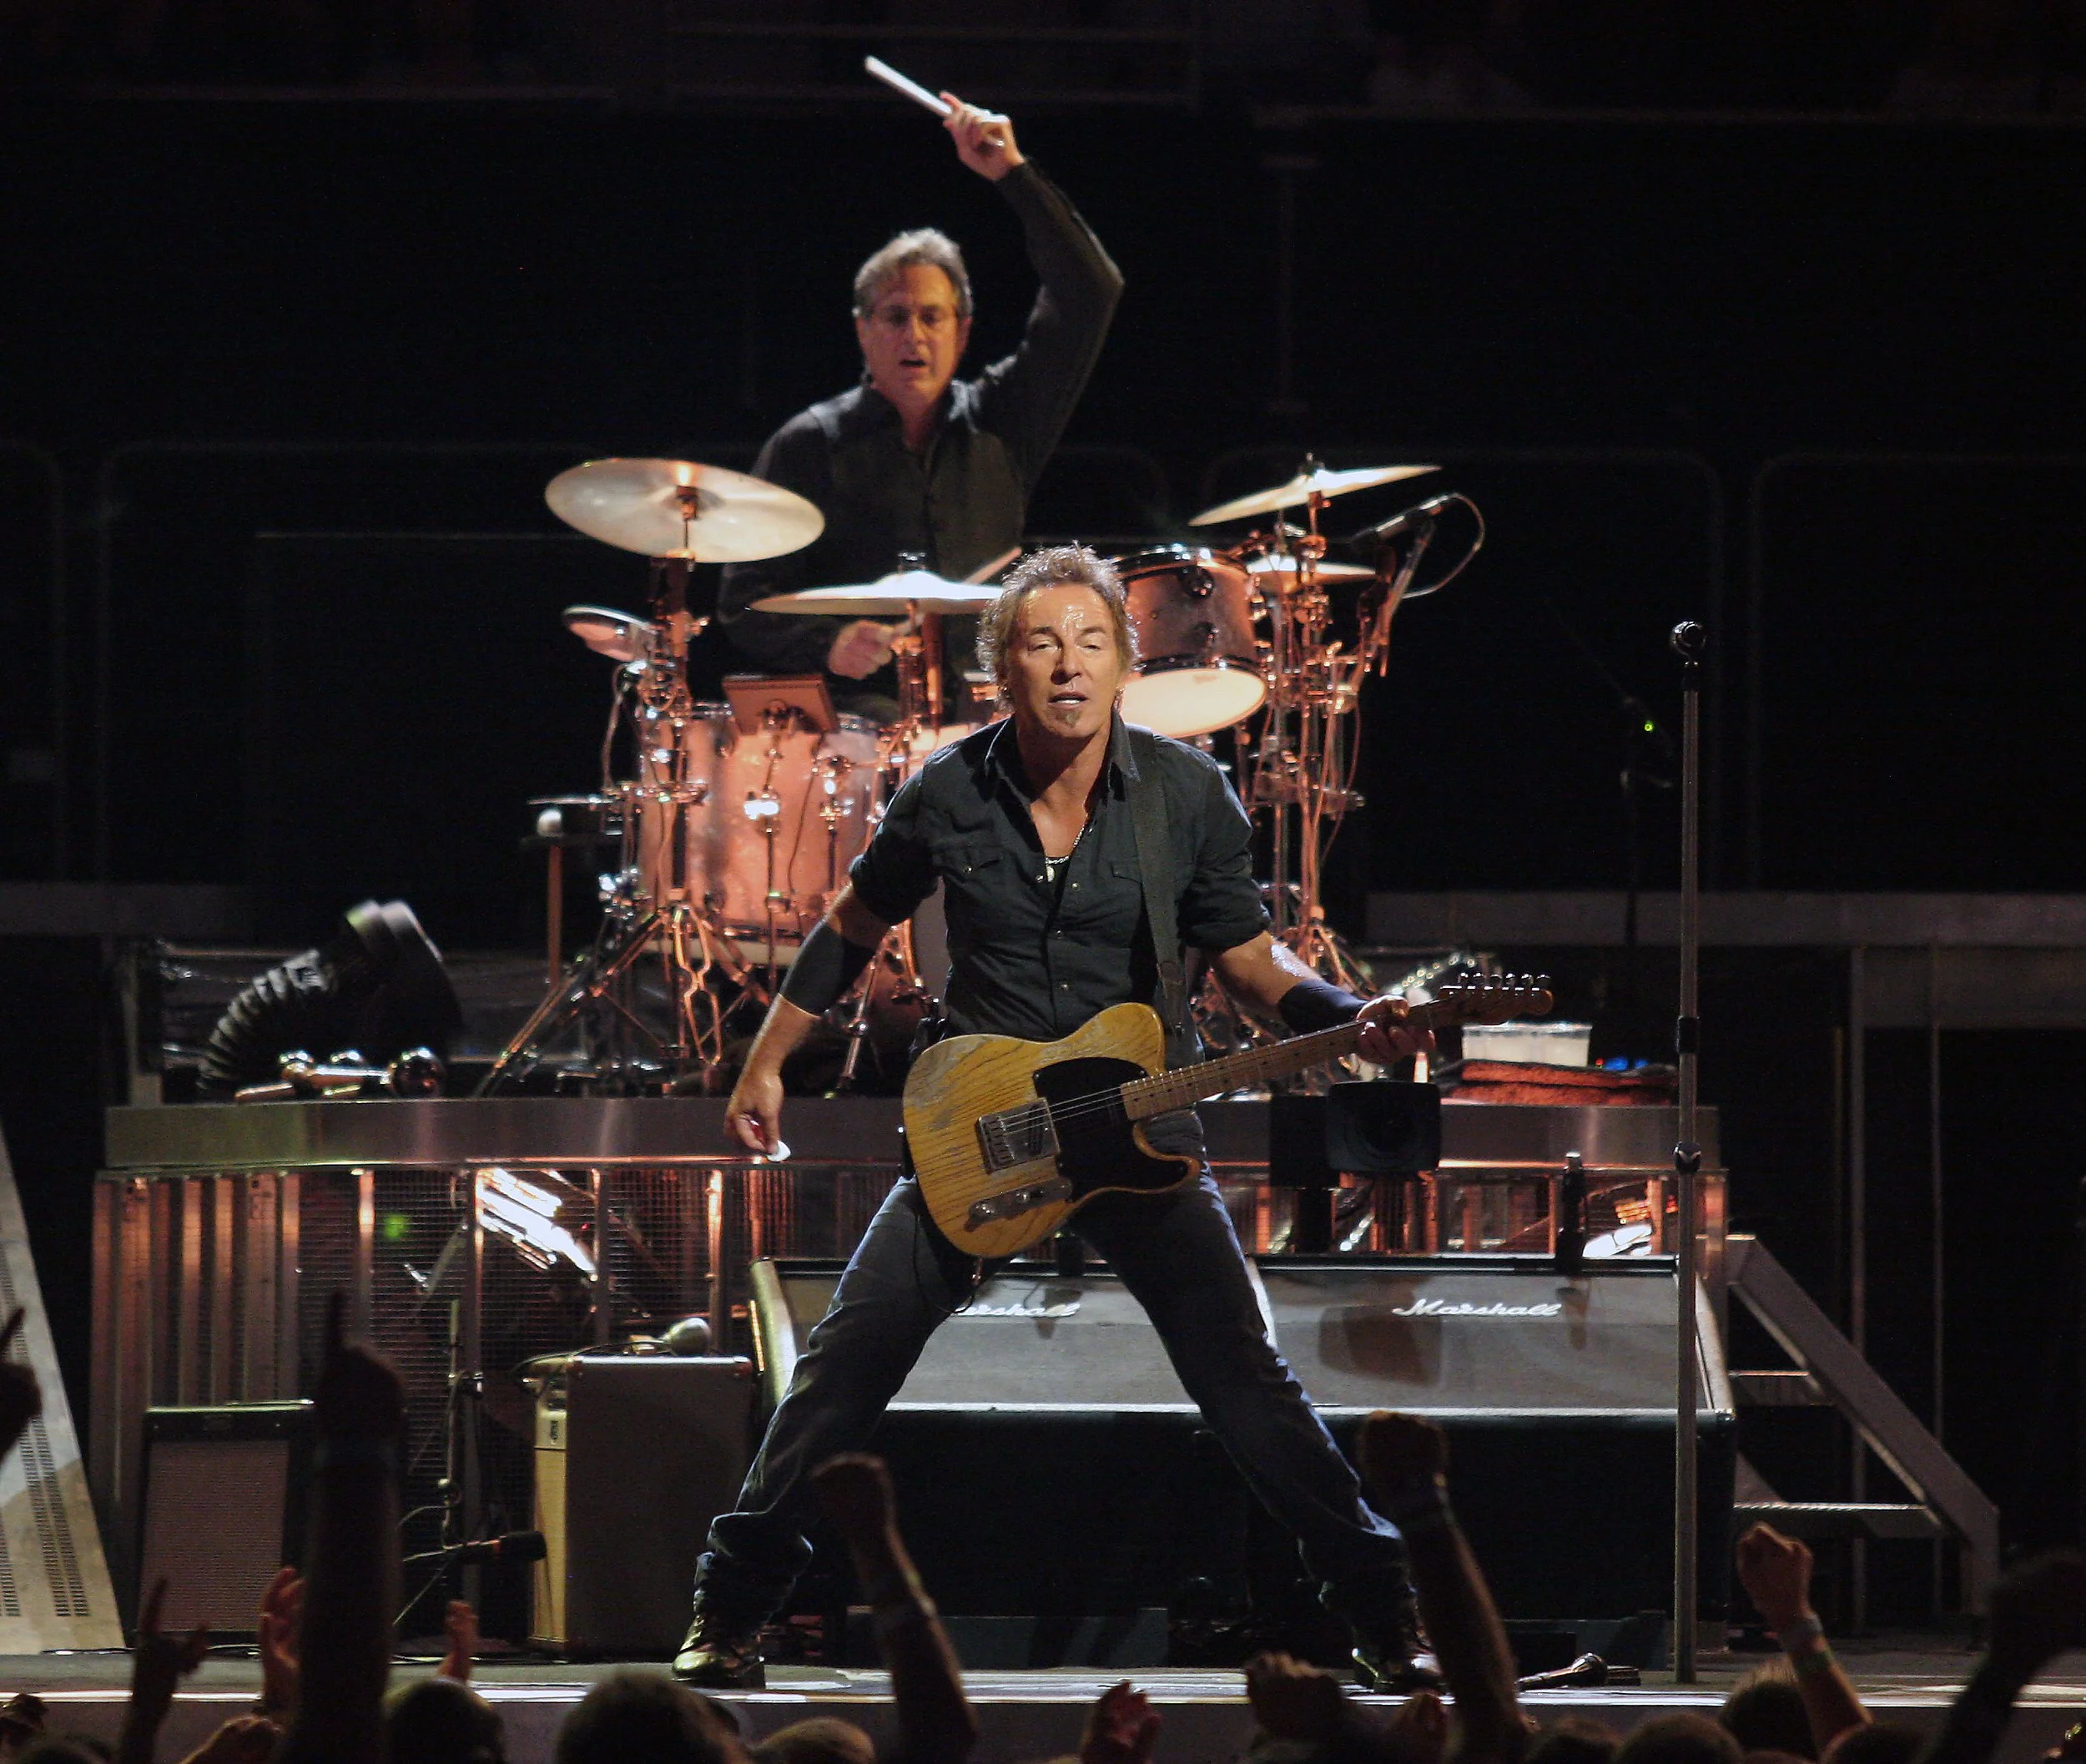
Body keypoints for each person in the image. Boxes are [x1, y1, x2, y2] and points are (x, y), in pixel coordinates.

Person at [676, 545, 1439, 1693]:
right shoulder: (946, 786)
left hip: (1136, 1127)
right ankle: (730, 1611)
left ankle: (1385, 1614)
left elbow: (1246, 960)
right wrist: (768, 1061)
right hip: (978, 1122)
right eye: (1041, 643)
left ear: (1126, 663)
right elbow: (849, 921)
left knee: (1246, 1383)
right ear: (1003, 668)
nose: (1067, 666)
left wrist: (1349, 1014)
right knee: (845, 1362)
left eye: (1090, 643)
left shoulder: (1187, 794)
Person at [715, 97, 1123, 722]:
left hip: (995, 719)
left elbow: (1092, 292)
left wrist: (1012, 174)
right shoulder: (808, 444)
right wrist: (829, 643)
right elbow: (743, 601)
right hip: (862, 729)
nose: (915, 336)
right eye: (895, 316)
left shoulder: (1003, 421)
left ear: (962, 333)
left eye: (932, 318)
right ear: (862, 331)